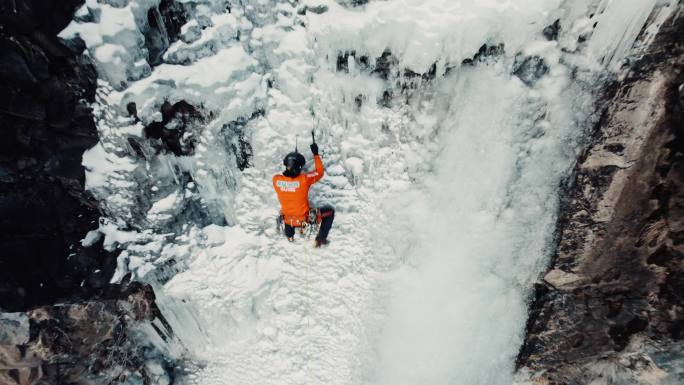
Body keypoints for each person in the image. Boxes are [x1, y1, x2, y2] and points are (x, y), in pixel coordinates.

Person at [272, 140, 334, 247]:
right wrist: (315, 154)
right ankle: (320, 239)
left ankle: (290, 236)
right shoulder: (304, 180)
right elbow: (319, 172)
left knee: (288, 221)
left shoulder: (276, 180)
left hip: (288, 220)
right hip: (304, 219)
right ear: (299, 168)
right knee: (330, 212)